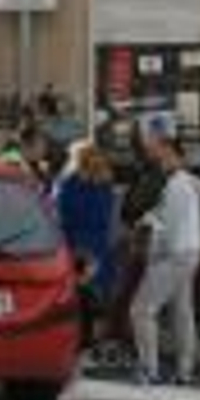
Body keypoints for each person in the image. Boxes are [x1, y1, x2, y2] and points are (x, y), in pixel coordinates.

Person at [130, 136, 200, 387]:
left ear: (171, 152)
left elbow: (169, 226)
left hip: (173, 253)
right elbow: (169, 215)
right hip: (189, 251)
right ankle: (185, 370)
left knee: (141, 309)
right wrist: (151, 217)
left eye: (158, 151)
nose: (155, 157)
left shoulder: (178, 184)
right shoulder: (185, 182)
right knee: (182, 312)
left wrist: (153, 248)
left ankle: (149, 369)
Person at [56, 142, 117, 349]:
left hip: (76, 247)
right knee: (98, 296)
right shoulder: (106, 182)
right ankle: (97, 341)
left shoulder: (69, 182)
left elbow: (59, 215)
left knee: (79, 297)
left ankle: (81, 341)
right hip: (100, 246)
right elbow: (109, 217)